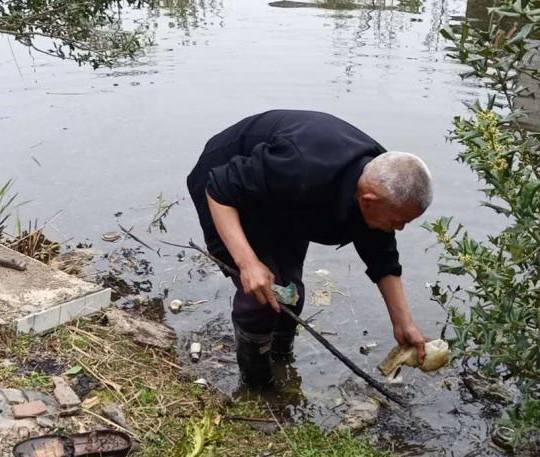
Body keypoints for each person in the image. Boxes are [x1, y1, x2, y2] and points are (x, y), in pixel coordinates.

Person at [186, 110, 434, 388]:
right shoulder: (299, 167)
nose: (400, 228)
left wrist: (403, 323)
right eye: (399, 221)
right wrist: (248, 263)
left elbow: (382, 255)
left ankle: (281, 361)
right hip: (227, 193)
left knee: (289, 293)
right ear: (368, 200)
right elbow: (219, 188)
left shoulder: (384, 180)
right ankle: (257, 386)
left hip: (285, 200)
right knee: (258, 299)